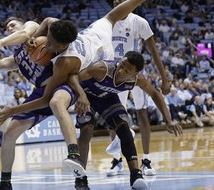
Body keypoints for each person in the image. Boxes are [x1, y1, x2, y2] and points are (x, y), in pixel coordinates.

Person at [0, 0, 170, 189]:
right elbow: (48, 22)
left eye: (50, 44)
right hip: (92, 43)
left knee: (59, 102)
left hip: (98, 64)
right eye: (45, 42)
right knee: (111, 17)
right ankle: (8, 183)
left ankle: (77, 152)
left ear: (63, 44)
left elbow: (56, 90)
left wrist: (12, 110)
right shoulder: (58, 32)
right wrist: (35, 36)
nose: (46, 46)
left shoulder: (65, 62)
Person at [0, 18, 86, 190]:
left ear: (22, 24)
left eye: (13, 24)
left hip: (63, 85)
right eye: (7, 27)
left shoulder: (32, 29)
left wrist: (0, 43)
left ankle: (73, 153)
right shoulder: (19, 54)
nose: (9, 28)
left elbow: (24, 32)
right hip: (40, 94)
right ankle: (5, 183)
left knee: (56, 102)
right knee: (9, 133)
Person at [67, 51, 183, 188]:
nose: (121, 70)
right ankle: (81, 180)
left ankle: (136, 175)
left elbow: (155, 94)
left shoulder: (137, 80)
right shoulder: (102, 69)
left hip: (108, 99)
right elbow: (73, 78)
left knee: (124, 129)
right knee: (86, 129)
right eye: (121, 65)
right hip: (87, 96)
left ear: (135, 74)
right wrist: (80, 95)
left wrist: (168, 120)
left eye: (127, 70)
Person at [105, 0, 171, 177]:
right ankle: (116, 160)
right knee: (113, 117)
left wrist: (164, 78)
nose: (116, 1)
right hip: (116, 74)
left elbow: (153, 52)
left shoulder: (139, 22)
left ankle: (147, 160)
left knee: (142, 114)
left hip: (135, 74)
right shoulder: (108, 21)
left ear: (129, 1)